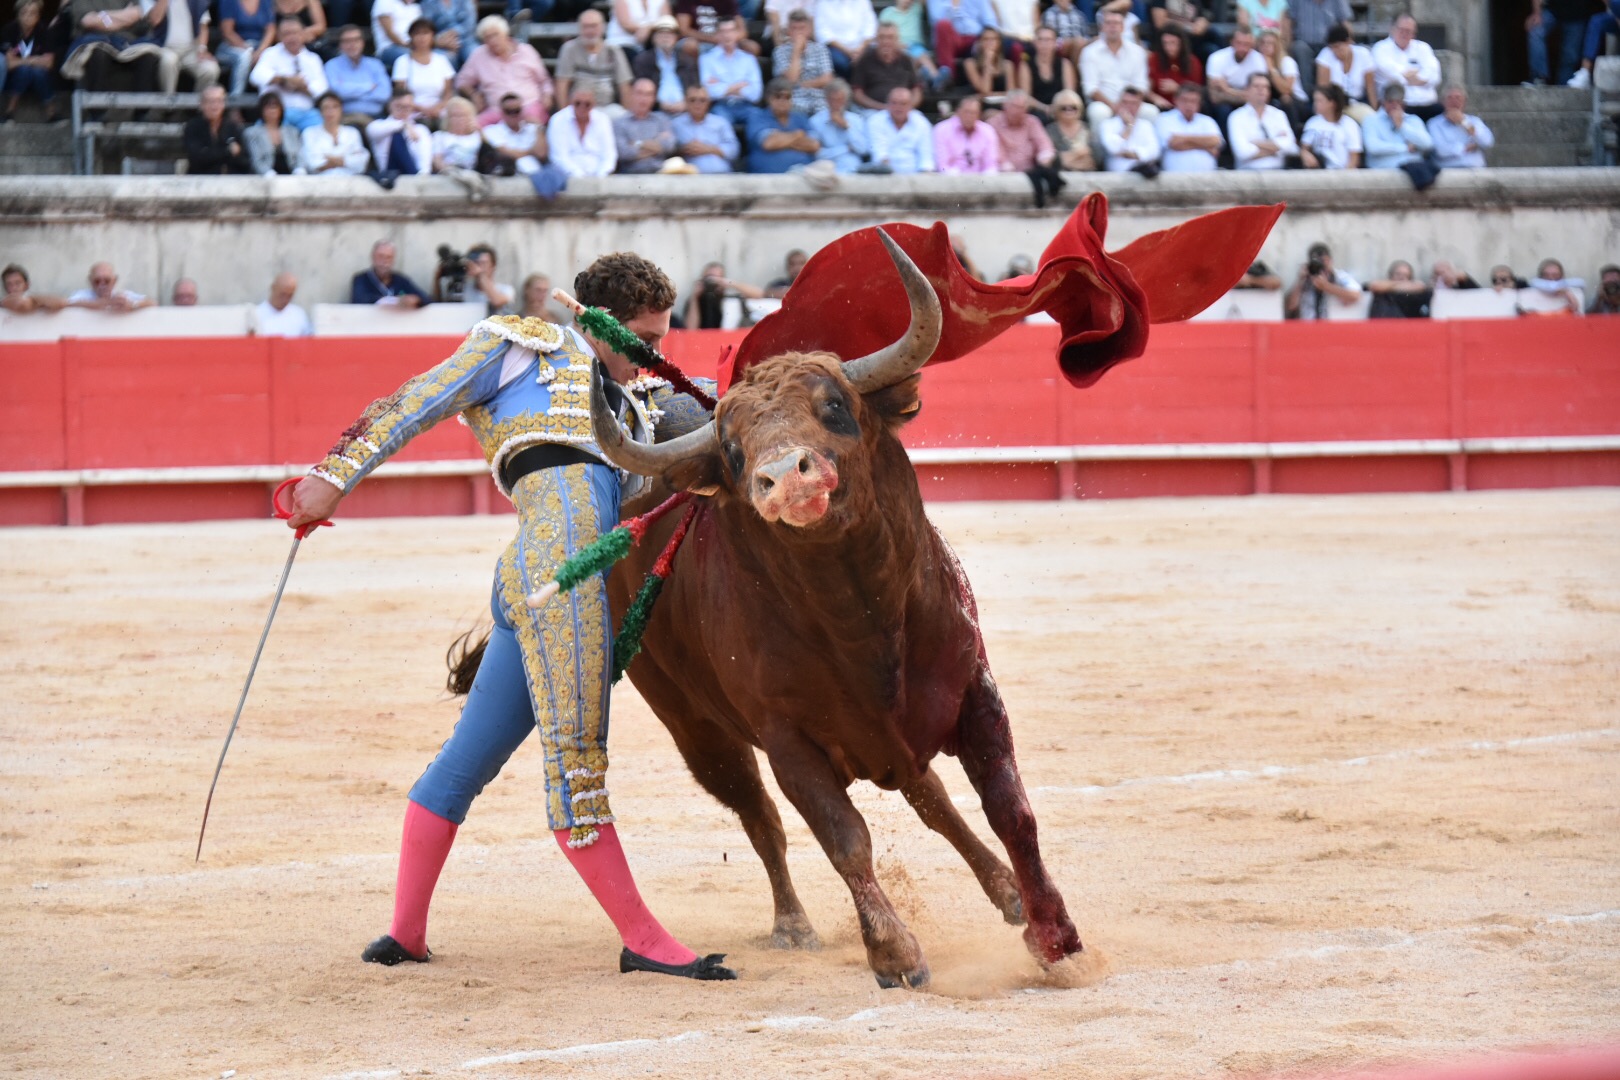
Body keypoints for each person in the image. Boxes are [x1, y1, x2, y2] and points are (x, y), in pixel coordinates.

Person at [283, 252, 736, 982]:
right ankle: (644, 941)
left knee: (465, 761)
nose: (658, 351)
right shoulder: (521, 345)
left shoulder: (642, 403)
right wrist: (330, 477)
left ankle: (403, 933)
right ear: (603, 324)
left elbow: (730, 410)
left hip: (538, 580)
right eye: (647, 336)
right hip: (561, 584)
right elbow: (415, 401)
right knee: (578, 758)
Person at [456, 15, 553, 126]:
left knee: (532, 125)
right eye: (487, 38)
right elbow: (461, 81)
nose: (492, 41)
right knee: (473, 126)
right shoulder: (479, 55)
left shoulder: (526, 51)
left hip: (527, 106)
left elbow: (544, 80)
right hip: (497, 111)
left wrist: (547, 95)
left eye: (495, 35)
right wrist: (474, 94)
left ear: (505, 34)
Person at [60, 0, 167, 93]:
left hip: (128, 43)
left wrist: (103, 16)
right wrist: (124, 15)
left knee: (148, 54)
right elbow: (88, 21)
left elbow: (139, 13)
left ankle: (143, 113)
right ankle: (98, 113)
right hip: (98, 41)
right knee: (98, 52)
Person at [250, 14, 329, 129]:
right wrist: (284, 80)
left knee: (322, 131)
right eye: (287, 33)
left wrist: (302, 86)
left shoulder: (312, 59)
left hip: (307, 114)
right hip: (277, 114)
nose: (292, 37)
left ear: (303, 33)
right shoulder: (270, 53)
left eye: (295, 32)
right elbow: (256, 76)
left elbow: (322, 90)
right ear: (279, 36)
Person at [990, 88, 1065, 204]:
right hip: (1004, 174)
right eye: (1015, 106)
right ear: (1005, 105)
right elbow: (997, 153)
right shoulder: (993, 124)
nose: (1018, 111)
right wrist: (1006, 166)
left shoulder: (1032, 121)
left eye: (1022, 107)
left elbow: (1044, 145)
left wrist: (1045, 157)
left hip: (1031, 171)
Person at [1080, 11, 1151, 130]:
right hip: (1103, 103)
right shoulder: (1089, 52)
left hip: (1132, 102)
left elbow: (1141, 85)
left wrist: (1130, 105)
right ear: (1102, 27)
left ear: (1123, 27)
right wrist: (1115, 106)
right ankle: (1099, 149)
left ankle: (1144, 147)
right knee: (1098, 113)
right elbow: (1091, 88)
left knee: (1150, 112)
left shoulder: (1137, 52)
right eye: (1108, 23)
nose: (1112, 26)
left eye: (1116, 23)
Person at [556, 9, 633, 112]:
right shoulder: (569, 49)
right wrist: (564, 114)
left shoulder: (614, 50)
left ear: (602, 27)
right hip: (577, 108)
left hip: (607, 108)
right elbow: (562, 84)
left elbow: (624, 86)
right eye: (585, 26)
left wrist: (626, 117)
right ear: (579, 28)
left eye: (594, 26)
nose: (590, 31)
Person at [1370, 13, 1439, 121]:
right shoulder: (1380, 48)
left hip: (1428, 105)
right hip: (1400, 106)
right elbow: (1390, 73)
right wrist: (1418, 77)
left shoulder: (1423, 48)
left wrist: (1408, 77)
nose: (1404, 34)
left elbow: (1434, 76)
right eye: (1401, 30)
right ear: (1393, 29)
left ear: (1414, 33)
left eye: (1409, 31)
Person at [697, 16, 761, 124]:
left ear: (737, 33)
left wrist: (722, 86)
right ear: (717, 34)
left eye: (731, 31)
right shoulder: (706, 59)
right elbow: (709, 92)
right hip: (720, 106)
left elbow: (756, 94)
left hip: (746, 106)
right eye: (723, 31)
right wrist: (738, 86)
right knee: (720, 121)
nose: (727, 35)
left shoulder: (749, 59)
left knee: (759, 118)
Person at [747, 76, 819, 172]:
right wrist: (797, 135)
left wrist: (782, 140)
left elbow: (814, 146)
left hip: (802, 176)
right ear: (769, 98)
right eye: (778, 97)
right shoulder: (758, 117)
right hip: (767, 178)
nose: (782, 101)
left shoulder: (801, 118)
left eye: (787, 97)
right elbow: (769, 143)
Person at [393, 18, 456, 125]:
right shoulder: (402, 61)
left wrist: (437, 108)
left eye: (426, 33)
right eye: (417, 34)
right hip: (411, 112)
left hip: (439, 111)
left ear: (432, 36)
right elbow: (400, 93)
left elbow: (448, 92)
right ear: (411, 37)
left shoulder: (442, 60)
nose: (422, 37)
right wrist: (422, 109)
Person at [3, 0, 58, 122]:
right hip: (15, 78)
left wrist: (21, 60)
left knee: (38, 72)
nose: (28, 16)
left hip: (39, 77)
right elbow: (8, 64)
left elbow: (49, 63)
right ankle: (9, 112)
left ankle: (51, 113)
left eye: (33, 13)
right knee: (24, 70)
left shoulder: (44, 31)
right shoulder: (9, 30)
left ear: (38, 16)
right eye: (24, 13)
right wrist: (33, 60)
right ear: (18, 15)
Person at [1228, 71, 1296, 170]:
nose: (1261, 90)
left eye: (1265, 87)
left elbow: (1290, 146)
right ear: (1247, 90)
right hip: (1248, 174)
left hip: (1279, 174)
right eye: (1256, 86)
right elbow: (1242, 152)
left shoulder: (1278, 115)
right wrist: (1276, 148)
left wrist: (1255, 143)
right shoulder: (1236, 117)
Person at [326, 23, 391, 124]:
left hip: (378, 117)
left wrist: (350, 93)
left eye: (356, 40)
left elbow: (384, 94)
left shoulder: (375, 64)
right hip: (349, 118)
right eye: (347, 41)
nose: (352, 45)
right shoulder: (332, 65)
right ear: (340, 45)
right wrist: (368, 87)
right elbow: (337, 93)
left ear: (362, 43)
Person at [773, 9, 833, 116]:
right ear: (788, 31)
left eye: (802, 28)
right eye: (794, 29)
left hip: (820, 100)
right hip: (795, 101)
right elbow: (792, 79)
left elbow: (827, 79)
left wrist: (803, 84)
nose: (797, 33)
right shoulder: (780, 51)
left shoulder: (820, 49)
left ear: (809, 30)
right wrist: (796, 52)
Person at [547, 85, 617, 176]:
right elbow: (559, 157)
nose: (582, 107)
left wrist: (601, 175)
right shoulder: (558, 120)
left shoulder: (603, 120)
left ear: (594, 104)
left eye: (587, 104)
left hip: (598, 175)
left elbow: (609, 154)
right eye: (577, 103)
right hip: (567, 176)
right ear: (570, 102)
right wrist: (579, 176)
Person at [632, 16, 697, 113]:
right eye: (661, 33)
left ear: (676, 37)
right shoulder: (643, 60)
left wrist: (686, 103)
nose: (665, 37)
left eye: (670, 34)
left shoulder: (687, 60)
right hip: (655, 111)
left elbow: (695, 87)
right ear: (654, 37)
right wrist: (658, 103)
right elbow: (640, 88)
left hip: (685, 111)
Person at [1204, 26, 1266, 129]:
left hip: (1247, 105)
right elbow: (1214, 97)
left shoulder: (1259, 60)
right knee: (1223, 109)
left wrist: (1226, 90)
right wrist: (1246, 94)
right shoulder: (1217, 58)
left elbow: (1260, 97)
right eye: (1239, 43)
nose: (1242, 48)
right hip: (1222, 105)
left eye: (1247, 44)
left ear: (1252, 45)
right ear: (1232, 42)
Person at [849, 21, 920, 111]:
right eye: (882, 37)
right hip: (873, 110)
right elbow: (857, 93)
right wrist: (882, 108)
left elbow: (917, 91)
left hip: (904, 111)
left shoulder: (906, 59)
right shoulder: (865, 59)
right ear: (876, 39)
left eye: (890, 37)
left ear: (897, 39)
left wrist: (906, 108)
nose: (886, 41)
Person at [184, 84, 253, 173]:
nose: (215, 106)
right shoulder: (192, 127)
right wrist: (228, 151)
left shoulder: (232, 127)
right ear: (201, 104)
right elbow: (197, 158)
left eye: (219, 101)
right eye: (210, 101)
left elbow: (245, 161)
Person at [1154, 80, 1221, 172]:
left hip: (1207, 179)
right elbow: (1173, 143)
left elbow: (1215, 142)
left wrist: (1183, 139)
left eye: (1193, 101)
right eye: (1184, 100)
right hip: (1174, 179)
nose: (1189, 105)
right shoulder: (1164, 119)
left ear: (1199, 103)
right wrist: (1205, 145)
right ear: (1176, 100)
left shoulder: (1207, 121)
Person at [157, 0, 221, 96]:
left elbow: (203, 26)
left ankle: (198, 106)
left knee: (211, 69)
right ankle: (168, 103)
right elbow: (155, 20)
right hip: (165, 48)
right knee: (169, 60)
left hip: (191, 50)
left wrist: (202, 49)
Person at [866, 82, 934, 173]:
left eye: (903, 104)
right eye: (894, 103)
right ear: (888, 104)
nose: (898, 107)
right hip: (885, 176)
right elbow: (880, 154)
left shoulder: (922, 122)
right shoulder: (876, 121)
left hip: (916, 176)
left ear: (910, 106)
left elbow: (926, 157)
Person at [1284, 241, 1361, 320]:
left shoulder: (1339, 276)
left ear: (1330, 260)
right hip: (1308, 327)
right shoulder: (1305, 278)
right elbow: (1291, 306)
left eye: (1323, 261)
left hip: (1333, 327)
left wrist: (1327, 286)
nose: (1321, 265)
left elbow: (1355, 296)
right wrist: (1300, 280)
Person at [1362, 82, 1430, 170]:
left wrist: (1402, 126)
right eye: (1390, 102)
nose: (1394, 106)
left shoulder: (1413, 120)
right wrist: (1405, 148)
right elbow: (1373, 147)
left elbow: (1427, 144)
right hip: (1384, 171)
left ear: (1403, 104)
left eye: (1398, 102)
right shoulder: (1371, 120)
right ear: (1384, 102)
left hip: (1414, 171)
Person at [877, 0, 944, 90]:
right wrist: (896, 44)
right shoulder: (887, 13)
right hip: (897, 45)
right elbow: (881, 33)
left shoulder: (915, 8)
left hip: (915, 45)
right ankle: (931, 78)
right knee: (914, 59)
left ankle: (935, 78)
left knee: (921, 54)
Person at [1314, 23, 1373, 122]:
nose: (1335, 51)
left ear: (1348, 42)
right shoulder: (1325, 55)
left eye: (1338, 47)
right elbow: (1323, 89)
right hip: (1334, 105)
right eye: (1332, 47)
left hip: (1357, 103)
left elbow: (1370, 87)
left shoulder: (1363, 54)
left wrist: (1374, 108)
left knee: (1371, 120)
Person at [671, 83, 739, 171]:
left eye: (702, 100)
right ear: (685, 102)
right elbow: (668, 151)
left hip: (721, 176)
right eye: (692, 100)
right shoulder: (675, 124)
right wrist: (683, 150)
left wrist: (708, 149)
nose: (697, 104)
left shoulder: (721, 122)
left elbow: (734, 150)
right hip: (688, 178)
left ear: (709, 103)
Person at [300, 89, 370, 172]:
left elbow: (360, 164)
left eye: (335, 107)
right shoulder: (309, 133)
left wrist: (330, 159)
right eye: (326, 107)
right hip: (321, 181)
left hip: (351, 180)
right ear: (320, 111)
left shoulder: (352, 132)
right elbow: (313, 164)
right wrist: (345, 160)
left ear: (341, 110)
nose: (330, 112)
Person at [614, 76, 675, 171]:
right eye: (639, 93)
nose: (643, 99)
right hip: (630, 177)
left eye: (648, 94)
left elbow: (668, 146)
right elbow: (623, 152)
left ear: (654, 98)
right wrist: (655, 146)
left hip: (659, 174)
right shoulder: (619, 123)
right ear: (631, 94)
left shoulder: (662, 120)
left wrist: (637, 143)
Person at [1426, 84, 1493, 170]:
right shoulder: (1434, 123)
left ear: (1464, 101)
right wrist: (1466, 148)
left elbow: (1487, 142)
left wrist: (1464, 123)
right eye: (1449, 98)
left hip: (1475, 169)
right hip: (1449, 171)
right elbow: (1441, 151)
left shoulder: (1475, 121)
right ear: (1443, 102)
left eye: (1458, 97)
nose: (1454, 101)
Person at [1098, 84, 1159, 176]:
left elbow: (1154, 151)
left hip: (1143, 173)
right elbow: (1113, 149)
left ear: (1139, 105)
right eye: (1125, 102)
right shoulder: (1107, 124)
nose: (1128, 107)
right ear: (1119, 103)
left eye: (1133, 103)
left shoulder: (1146, 125)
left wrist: (1133, 154)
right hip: (1117, 176)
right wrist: (1129, 126)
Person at [368, 88, 433, 175]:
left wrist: (422, 176)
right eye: (399, 106)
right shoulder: (378, 125)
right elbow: (372, 132)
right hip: (389, 175)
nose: (403, 110)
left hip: (413, 174)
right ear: (390, 105)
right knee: (396, 136)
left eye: (407, 106)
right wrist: (404, 125)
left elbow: (424, 158)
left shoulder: (421, 129)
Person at [216, 0, 275, 96]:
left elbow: (270, 30)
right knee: (244, 57)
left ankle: (269, 102)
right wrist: (249, 51)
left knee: (270, 57)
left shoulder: (265, 2)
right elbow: (228, 32)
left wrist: (260, 51)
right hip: (233, 46)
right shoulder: (228, 2)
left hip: (259, 46)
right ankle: (236, 102)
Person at [808, 77, 867, 171]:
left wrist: (847, 127)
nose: (836, 104)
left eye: (840, 100)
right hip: (826, 166)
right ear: (827, 100)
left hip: (851, 167)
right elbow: (817, 153)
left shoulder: (856, 119)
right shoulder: (816, 120)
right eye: (833, 100)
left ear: (846, 100)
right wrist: (846, 149)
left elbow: (863, 150)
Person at [1525, 0, 1589, 87]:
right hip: (1552, 10)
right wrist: (1537, 13)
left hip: (1577, 15)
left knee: (1570, 56)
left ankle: (1564, 86)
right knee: (1536, 30)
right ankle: (1539, 78)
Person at [437, 243, 515, 313]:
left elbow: (497, 301)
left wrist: (480, 274)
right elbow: (441, 307)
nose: (477, 266)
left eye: (483, 263)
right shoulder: (461, 288)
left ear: (493, 266)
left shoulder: (505, 289)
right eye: (475, 263)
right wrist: (437, 277)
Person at [684, 260, 762, 328]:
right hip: (703, 339)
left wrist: (731, 284)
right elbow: (690, 329)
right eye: (709, 278)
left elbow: (760, 295)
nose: (713, 282)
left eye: (717, 278)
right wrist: (694, 297)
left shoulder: (730, 298)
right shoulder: (696, 300)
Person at [933, 92, 999, 173]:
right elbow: (942, 165)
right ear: (958, 112)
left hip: (980, 181)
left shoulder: (988, 131)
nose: (970, 116)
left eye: (974, 113)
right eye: (967, 112)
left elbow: (991, 164)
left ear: (979, 115)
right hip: (950, 180)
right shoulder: (941, 129)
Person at [1020, 25, 1077, 117]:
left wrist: (1057, 108)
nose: (1044, 44)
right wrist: (1045, 108)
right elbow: (1025, 96)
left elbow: (1069, 93)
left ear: (1055, 43)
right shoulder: (1026, 65)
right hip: (1037, 109)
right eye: (1040, 40)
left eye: (1048, 40)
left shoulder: (1065, 64)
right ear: (1035, 42)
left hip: (1062, 108)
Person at [482, 91, 546, 173]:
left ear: (522, 111)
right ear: (501, 113)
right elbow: (507, 154)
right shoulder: (492, 130)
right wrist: (532, 152)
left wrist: (539, 127)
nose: (513, 115)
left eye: (517, 111)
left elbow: (541, 154)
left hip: (537, 175)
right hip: (510, 176)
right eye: (509, 111)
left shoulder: (533, 129)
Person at [1299, 82, 1358, 169]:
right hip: (1318, 172)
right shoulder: (1312, 122)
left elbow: (1354, 157)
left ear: (1332, 103)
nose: (1315, 104)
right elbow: (1304, 148)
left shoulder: (1349, 124)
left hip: (1342, 172)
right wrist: (1305, 155)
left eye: (1319, 101)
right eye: (1315, 100)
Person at [929, 0, 1000, 72]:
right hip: (951, 39)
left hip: (975, 38)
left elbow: (990, 21)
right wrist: (954, 7)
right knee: (942, 25)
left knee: (990, 37)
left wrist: (984, 39)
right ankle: (947, 74)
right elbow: (936, 19)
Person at [353, 240, 431, 305]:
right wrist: (393, 301)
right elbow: (359, 299)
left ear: (393, 260)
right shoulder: (361, 279)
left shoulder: (400, 280)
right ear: (373, 257)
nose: (384, 261)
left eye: (388, 257)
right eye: (380, 256)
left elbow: (425, 299)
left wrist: (415, 300)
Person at [1256, 28, 1305, 130]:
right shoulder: (1256, 61)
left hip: (1296, 101)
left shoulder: (1287, 61)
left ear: (1277, 46)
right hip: (1272, 99)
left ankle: (1293, 137)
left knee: (1285, 98)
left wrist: (1271, 69)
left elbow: (1286, 89)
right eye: (1263, 43)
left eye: (1270, 43)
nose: (1265, 46)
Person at [244, 90, 304, 173]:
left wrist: (299, 169)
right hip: (266, 176)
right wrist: (267, 173)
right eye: (268, 107)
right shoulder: (252, 133)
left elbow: (299, 156)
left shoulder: (292, 131)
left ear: (281, 109)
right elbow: (256, 160)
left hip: (291, 174)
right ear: (262, 110)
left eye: (275, 107)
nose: (272, 110)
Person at [815, 0, 877, 78]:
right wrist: (848, 52)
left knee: (871, 59)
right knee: (841, 63)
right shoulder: (823, 4)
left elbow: (870, 27)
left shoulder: (863, 2)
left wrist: (860, 49)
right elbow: (822, 33)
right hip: (837, 48)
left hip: (862, 46)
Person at [1145, 26, 1199, 112]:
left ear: (1181, 43)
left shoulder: (1192, 61)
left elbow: (1197, 90)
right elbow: (1145, 87)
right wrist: (1154, 98)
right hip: (1160, 106)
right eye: (1165, 43)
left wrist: (1178, 88)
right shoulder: (1153, 59)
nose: (1168, 47)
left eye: (1173, 43)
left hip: (1186, 107)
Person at [68, 262, 155, 310]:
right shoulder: (82, 295)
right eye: (97, 281)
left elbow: (152, 302)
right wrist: (104, 303)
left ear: (114, 281)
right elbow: (67, 304)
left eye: (107, 281)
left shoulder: (121, 295)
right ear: (90, 281)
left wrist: (132, 305)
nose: (102, 285)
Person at [1044, 87, 1094, 171]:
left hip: (1087, 175)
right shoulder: (1049, 130)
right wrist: (1078, 153)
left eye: (1073, 107)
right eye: (1064, 108)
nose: (1069, 111)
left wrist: (1067, 158)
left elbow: (1094, 159)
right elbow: (1051, 161)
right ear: (1056, 110)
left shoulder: (1087, 128)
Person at [431, 95, 484, 170]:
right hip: (448, 174)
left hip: (473, 174)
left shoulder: (477, 136)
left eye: (462, 115)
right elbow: (437, 160)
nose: (458, 119)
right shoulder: (439, 136)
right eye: (454, 116)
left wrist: (481, 133)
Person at [1367, 260, 1432, 319]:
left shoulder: (1414, 290)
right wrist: (1399, 285)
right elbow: (1374, 286)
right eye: (1398, 274)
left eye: (1406, 275)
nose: (1402, 277)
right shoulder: (1381, 289)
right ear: (1390, 275)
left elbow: (1420, 286)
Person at [419, 0, 476, 66]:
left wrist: (452, 33)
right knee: (445, 59)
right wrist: (438, 40)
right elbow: (427, 26)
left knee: (474, 54)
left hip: (466, 40)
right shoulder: (427, 3)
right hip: (441, 43)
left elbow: (470, 23)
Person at [963, 25, 1014, 99]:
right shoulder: (970, 63)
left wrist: (993, 95)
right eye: (986, 39)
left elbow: (1011, 94)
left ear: (999, 43)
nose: (990, 43)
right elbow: (985, 91)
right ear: (979, 43)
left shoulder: (1007, 65)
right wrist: (988, 62)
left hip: (1003, 104)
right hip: (981, 105)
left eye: (993, 39)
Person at [607, 0, 671, 54]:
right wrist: (647, 29)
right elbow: (626, 25)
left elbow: (666, 22)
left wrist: (648, 29)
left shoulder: (661, 1)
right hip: (623, 44)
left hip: (651, 43)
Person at [371, 0, 420, 68]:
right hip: (389, 47)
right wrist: (407, 45)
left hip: (412, 46)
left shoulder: (415, 6)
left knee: (437, 55)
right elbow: (389, 32)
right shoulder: (384, 2)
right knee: (415, 59)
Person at [1, 264, 68, 313]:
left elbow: (61, 302)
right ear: (5, 287)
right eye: (9, 284)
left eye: (17, 283)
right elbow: (22, 304)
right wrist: (39, 302)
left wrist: (34, 301)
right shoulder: (4, 302)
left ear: (26, 285)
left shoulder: (32, 299)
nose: (14, 287)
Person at [1042, 0, 1090, 66]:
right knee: (1078, 42)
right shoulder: (1048, 14)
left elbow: (1085, 35)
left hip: (1080, 42)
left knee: (1096, 40)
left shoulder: (1079, 14)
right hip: (1059, 43)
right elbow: (1048, 35)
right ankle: (1074, 72)